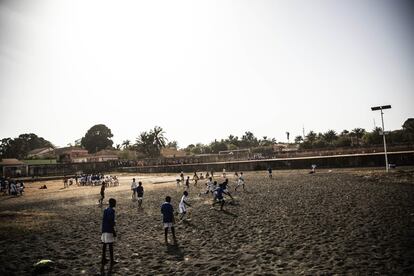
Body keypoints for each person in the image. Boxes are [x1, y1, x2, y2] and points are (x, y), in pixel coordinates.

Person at [101, 198, 117, 266]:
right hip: (109, 229)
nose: (115, 204)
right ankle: (112, 260)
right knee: (110, 245)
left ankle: (103, 258)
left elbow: (104, 220)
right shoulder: (112, 211)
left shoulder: (105, 210)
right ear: (112, 203)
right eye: (115, 203)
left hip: (104, 228)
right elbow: (111, 221)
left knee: (104, 244)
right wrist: (113, 231)